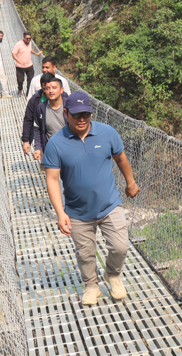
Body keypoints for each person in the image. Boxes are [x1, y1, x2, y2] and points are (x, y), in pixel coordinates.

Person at [42, 92, 141, 305]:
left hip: (109, 204)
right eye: (76, 115)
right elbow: (52, 179)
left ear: (91, 113)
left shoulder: (107, 133)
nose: (81, 119)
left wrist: (130, 182)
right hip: (77, 211)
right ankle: (91, 285)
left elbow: (121, 158)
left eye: (86, 114)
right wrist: (60, 213)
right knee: (85, 253)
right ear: (66, 113)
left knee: (120, 247)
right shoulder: (56, 144)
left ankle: (112, 275)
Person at [21, 73, 67, 160]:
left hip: (69, 149)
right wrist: (36, 146)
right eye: (47, 88)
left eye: (54, 88)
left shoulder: (69, 105)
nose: (51, 91)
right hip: (51, 151)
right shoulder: (40, 107)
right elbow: (34, 125)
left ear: (61, 90)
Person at [11, 31, 42, 96]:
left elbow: (30, 49)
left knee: (30, 80)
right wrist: (19, 61)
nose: (29, 40)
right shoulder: (18, 44)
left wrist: (36, 54)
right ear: (23, 38)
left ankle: (28, 94)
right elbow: (13, 54)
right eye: (27, 38)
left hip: (29, 65)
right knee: (20, 81)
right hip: (20, 66)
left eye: (30, 38)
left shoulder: (30, 43)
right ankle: (20, 89)